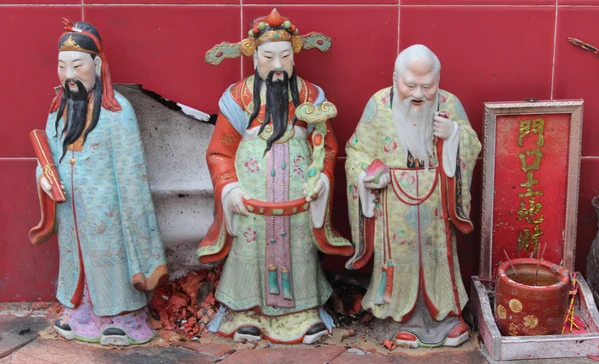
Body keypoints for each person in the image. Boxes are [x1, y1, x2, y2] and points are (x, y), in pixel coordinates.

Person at [199, 9, 353, 344]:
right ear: (255, 57)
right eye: (268, 57)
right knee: (249, 251)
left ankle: (304, 312)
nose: (278, 65)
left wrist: (321, 179)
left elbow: (326, 146)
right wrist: (230, 189)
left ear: (295, 55)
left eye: (286, 56)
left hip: (298, 197)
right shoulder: (238, 98)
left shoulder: (312, 96)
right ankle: (246, 313)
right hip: (251, 198)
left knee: (299, 249)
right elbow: (220, 151)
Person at [31, 19, 168, 346]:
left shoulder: (118, 113)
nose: (69, 75)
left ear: (97, 64)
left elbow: (132, 173)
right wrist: (45, 180)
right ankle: (80, 314)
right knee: (76, 260)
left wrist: (135, 220)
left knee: (111, 261)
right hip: (71, 213)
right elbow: (45, 159)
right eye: (62, 67)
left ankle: (122, 317)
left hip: (110, 214)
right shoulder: (57, 113)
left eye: (77, 65)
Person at [345, 44, 481, 348]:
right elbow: (356, 150)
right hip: (393, 200)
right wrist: (368, 174)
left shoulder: (450, 103)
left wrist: (454, 135)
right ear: (396, 78)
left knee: (437, 257)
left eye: (427, 85)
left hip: (436, 199)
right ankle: (398, 319)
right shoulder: (378, 104)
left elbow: (472, 145)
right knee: (400, 257)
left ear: (438, 79)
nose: (418, 94)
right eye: (410, 85)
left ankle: (445, 316)